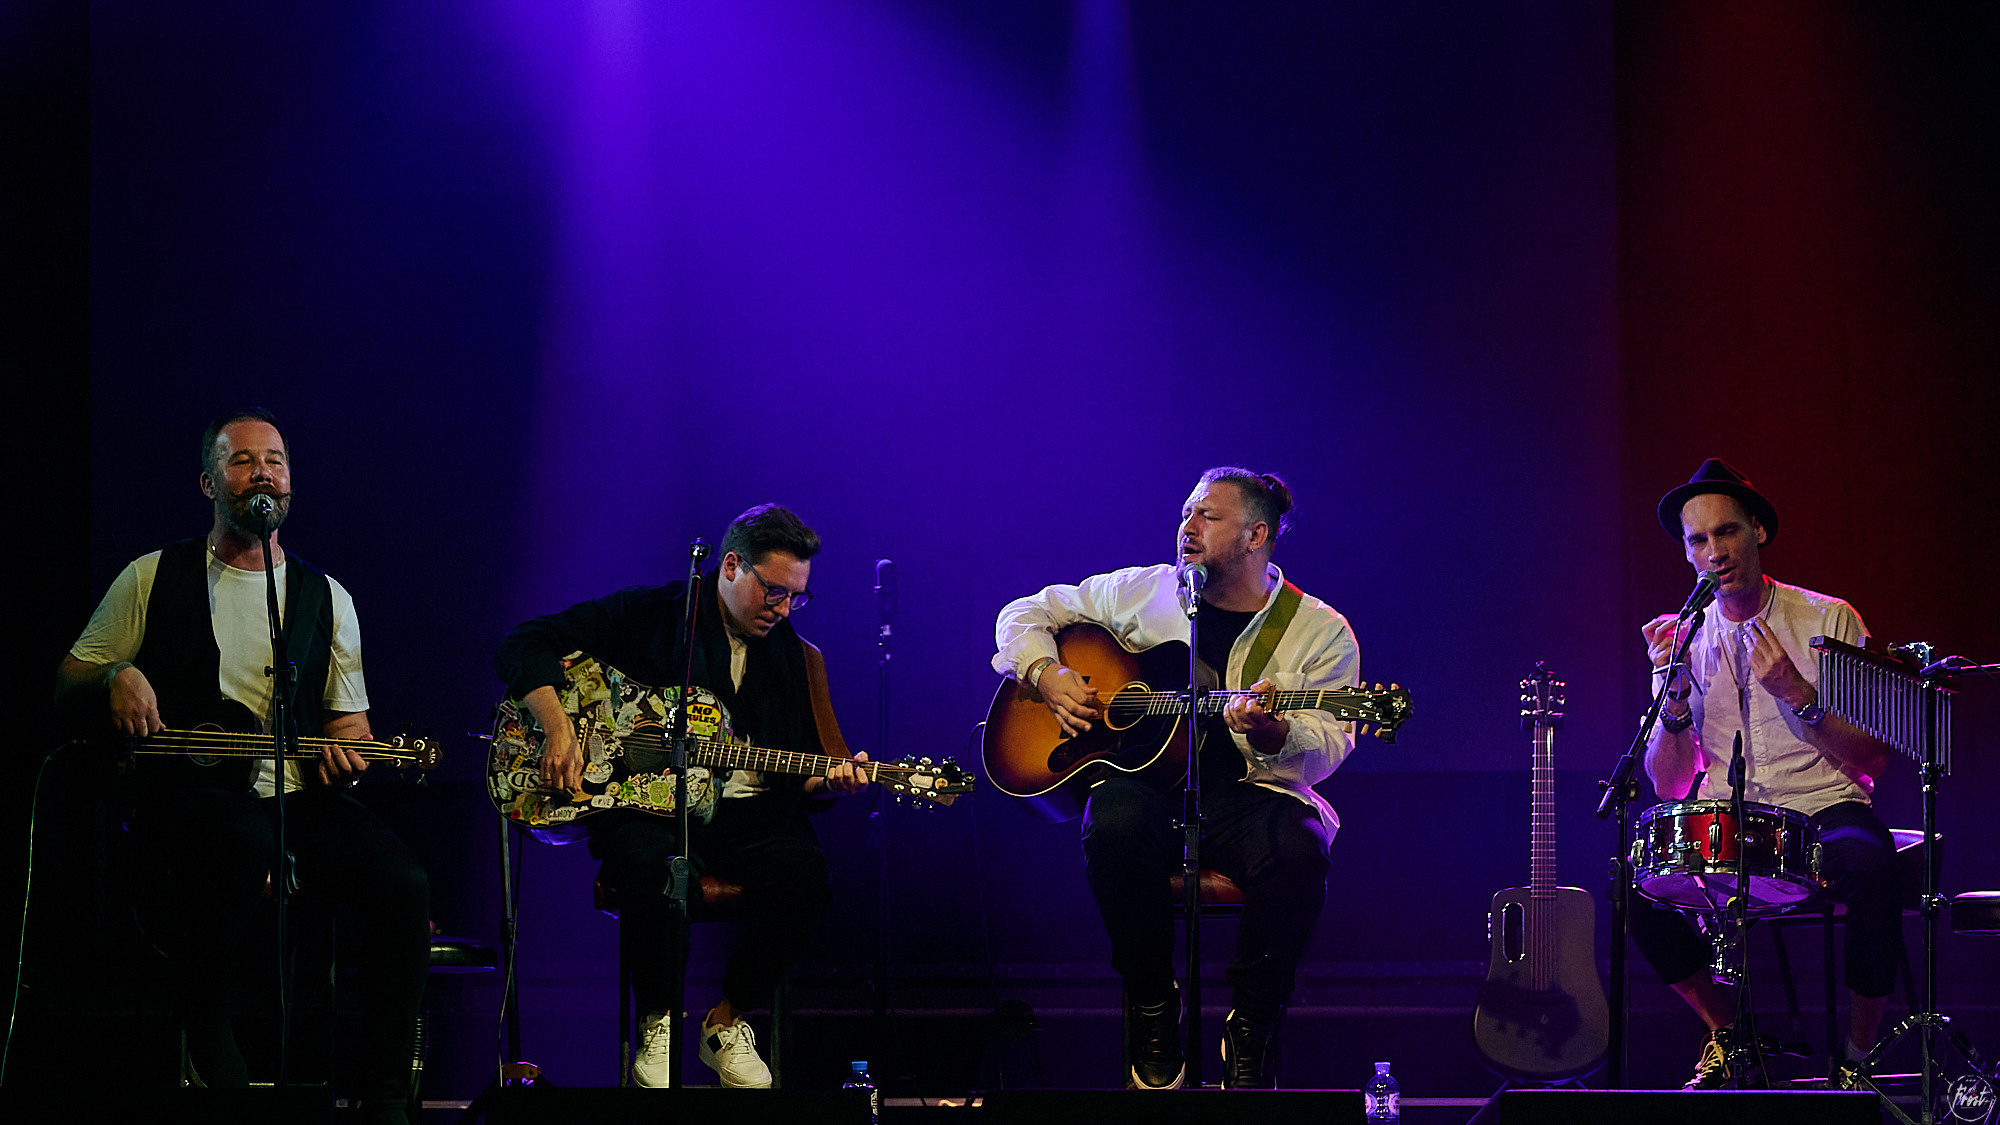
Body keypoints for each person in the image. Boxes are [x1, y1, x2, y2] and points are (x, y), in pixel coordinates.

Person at [56, 408, 430, 1124]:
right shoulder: (151, 575)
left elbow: (349, 724)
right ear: (207, 482)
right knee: (239, 837)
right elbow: (69, 674)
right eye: (242, 460)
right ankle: (205, 1023)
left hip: (293, 798)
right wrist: (114, 677)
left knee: (402, 881)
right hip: (189, 797)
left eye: (276, 460)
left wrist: (350, 758)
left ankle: (386, 1096)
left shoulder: (327, 596)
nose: (263, 470)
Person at [991, 467, 1360, 1089]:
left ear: (1255, 535)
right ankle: (1152, 1002)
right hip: (1149, 791)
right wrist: (1046, 673)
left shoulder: (1318, 630)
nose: (1186, 527)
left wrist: (1273, 731)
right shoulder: (1141, 591)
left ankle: (1255, 1020)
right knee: (1110, 822)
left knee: (1300, 847)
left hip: (1251, 793)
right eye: (1186, 512)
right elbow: (1025, 612)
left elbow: (1329, 742)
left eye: (1207, 517)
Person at [495, 503, 870, 1089]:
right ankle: (660, 1019)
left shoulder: (793, 655)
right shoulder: (652, 614)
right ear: (728, 566)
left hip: (747, 814)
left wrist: (832, 780)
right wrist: (558, 726)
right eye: (774, 591)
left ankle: (724, 1022)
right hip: (651, 806)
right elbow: (525, 641)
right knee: (655, 865)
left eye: (797, 596)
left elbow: (803, 774)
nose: (784, 608)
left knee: (807, 876)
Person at [1635, 458, 1901, 1089]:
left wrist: (1798, 694)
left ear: (1758, 531)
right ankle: (1729, 1029)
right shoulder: (1684, 639)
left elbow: (1874, 759)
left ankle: (1860, 1055)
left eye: (1725, 532)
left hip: (1824, 807)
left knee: (1870, 870)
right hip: (1731, 816)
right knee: (1634, 887)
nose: (1712, 552)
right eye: (1697, 541)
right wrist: (1671, 707)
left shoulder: (1828, 620)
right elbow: (1669, 784)